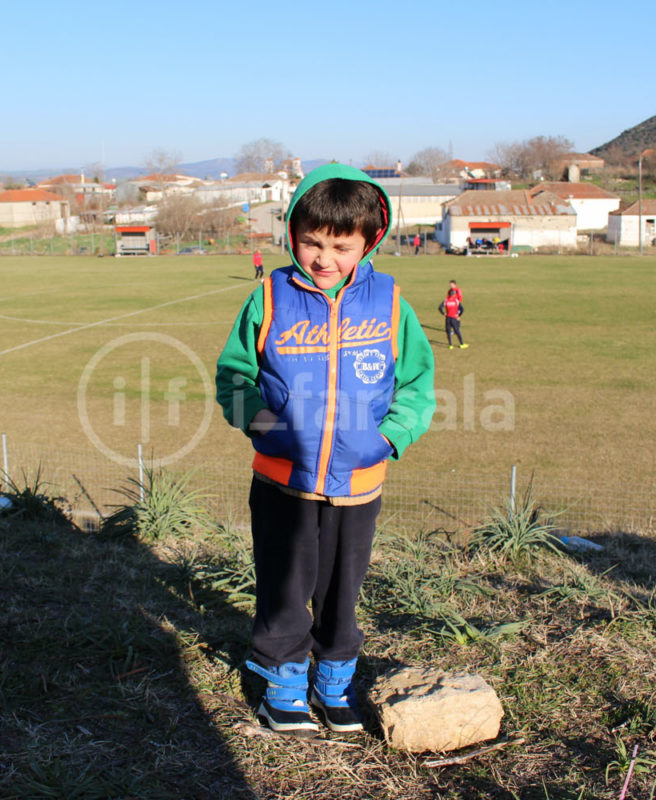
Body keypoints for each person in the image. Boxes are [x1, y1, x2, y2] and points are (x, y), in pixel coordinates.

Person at [216, 164, 435, 736]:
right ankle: (283, 688)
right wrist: (265, 426)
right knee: (285, 586)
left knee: (342, 590)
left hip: (358, 484)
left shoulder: (390, 305)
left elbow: (416, 386)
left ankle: (333, 686)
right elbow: (235, 376)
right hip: (282, 481)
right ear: (293, 235)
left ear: (369, 241)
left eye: (340, 246)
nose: (323, 258)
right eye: (311, 242)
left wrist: (386, 439)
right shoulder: (269, 297)